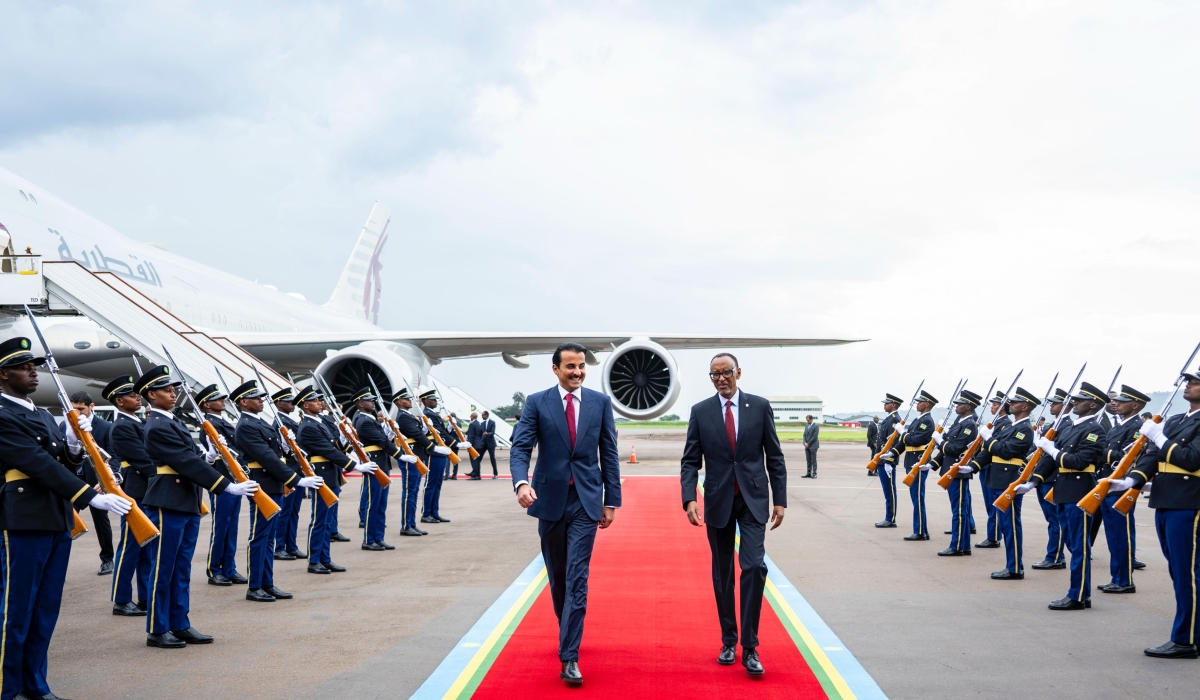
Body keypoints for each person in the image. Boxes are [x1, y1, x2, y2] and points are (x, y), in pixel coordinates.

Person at [0, 337, 131, 697]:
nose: (33, 372)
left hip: (55, 516)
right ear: (3, 373)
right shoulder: (2, 413)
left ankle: (35, 684)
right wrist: (90, 496)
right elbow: (36, 463)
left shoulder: (40, 413)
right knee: (16, 612)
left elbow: (61, 461)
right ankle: (7, 690)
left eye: (34, 366)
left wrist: (74, 444)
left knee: (44, 611)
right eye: (24, 367)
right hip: (23, 518)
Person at [509, 342, 621, 684]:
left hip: (586, 501)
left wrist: (611, 500)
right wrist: (521, 484)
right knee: (558, 577)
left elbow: (610, 454)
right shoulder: (537, 402)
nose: (577, 372)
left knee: (577, 577)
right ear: (556, 369)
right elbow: (521, 446)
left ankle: (569, 656)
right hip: (550, 500)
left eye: (581, 366)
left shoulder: (600, 403)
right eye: (570, 366)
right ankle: (567, 626)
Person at [681, 352, 785, 676]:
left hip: (752, 499)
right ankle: (729, 639)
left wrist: (779, 499)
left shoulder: (760, 407)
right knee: (723, 573)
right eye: (715, 374)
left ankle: (750, 646)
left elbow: (775, 456)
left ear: (738, 373)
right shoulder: (701, 412)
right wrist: (689, 499)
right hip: (717, 500)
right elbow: (689, 461)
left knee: (753, 566)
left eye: (726, 372)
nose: (721, 379)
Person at [140, 364, 258, 647]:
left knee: (181, 567)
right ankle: (158, 629)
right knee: (163, 567)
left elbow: (193, 456)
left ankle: (180, 622)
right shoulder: (157, 425)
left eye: (172, 389)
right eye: (166, 390)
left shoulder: (174, 421)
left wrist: (209, 456)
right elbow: (184, 461)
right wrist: (226, 485)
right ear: (150, 395)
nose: (172, 394)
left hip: (186, 500)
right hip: (168, 500)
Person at [1107, 369, 1200, 658]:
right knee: (1178, 571)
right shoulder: (1175, 420)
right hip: (1165, 500)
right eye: (1188, 381)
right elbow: (1151, 457)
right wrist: (1132, 480)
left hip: (1189, 503)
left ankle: (1186, 640)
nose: (1188, 385)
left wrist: (1159, 438)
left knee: (1188, 573)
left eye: (1195, 382)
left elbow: (1190, 458)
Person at [1021, 381, 1109, 610]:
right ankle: (1081, 591)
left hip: (1080, 491)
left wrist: (1051, 448)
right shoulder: (1069, 427)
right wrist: (1033, 481)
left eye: (1080, 400)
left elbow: (1079, 461)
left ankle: (1078, 596)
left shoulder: (1095, 430)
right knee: (1072, 543)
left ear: (1092, 405)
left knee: (1079, 546)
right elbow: (1050, 460)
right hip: (1063, 490)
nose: (1074, 402)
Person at [233, 380, 316, 602]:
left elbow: (276, 452)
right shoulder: (246, 425)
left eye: (261, 397)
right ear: (243, 402)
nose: (261, 400)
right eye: (256, 398)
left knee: (269, 537)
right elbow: (266, 457)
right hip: (264, 484)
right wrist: (296, 480)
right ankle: (255, 586)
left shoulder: (262, 423)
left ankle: (267, 583)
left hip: (274, 484)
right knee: (259, 536)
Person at [297, 387, 371, 574]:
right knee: (319, 520)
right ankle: (314, 561)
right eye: (315, 401)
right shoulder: (308, 427)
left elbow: (335, 445)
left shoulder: (319, 422)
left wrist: (346, 439)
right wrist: (354, 465)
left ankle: (325, 559)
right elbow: (327, 451)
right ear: (306, 405)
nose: (320, 402)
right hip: (322, 474)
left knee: (327, 521)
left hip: (331, 474)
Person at [971, 388, 1038, 580]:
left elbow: (1006, 451)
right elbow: (993, 450)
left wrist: (988, 438)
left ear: (1025, 407)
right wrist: (973, 466)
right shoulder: (1012, 426)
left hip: (1009, 481)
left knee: (1011, 525)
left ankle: (1015, 567)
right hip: (998, 479)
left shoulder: (1024, 429)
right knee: (1007, 524)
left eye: (1015, 402)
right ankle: (1012, 565)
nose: (1011, 404)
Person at [104, 374, 154, 617]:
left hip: (147, 489)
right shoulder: (123, 426)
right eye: (132, 395)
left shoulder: (138, 423)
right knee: (130, 547)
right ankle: (121, 599)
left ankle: (144, 597)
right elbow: (142, 459)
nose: (138, 398)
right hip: (135, 490)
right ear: (119, 401)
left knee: (147, 546)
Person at [1094, 384, 1149, 594]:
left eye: (1121, 401)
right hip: (1109, 484)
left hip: (1122, 486)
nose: (1115, 403)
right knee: (1113, 536)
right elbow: (1108, 452)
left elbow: (1125, 458)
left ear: (1134, 406)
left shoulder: (1137, 428)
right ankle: (1116, 577)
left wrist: (1105, 452)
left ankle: (1125, 580)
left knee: (1122, 535)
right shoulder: (1118, 427)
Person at [196, 384, 246, 587]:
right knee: (221, 527)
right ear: (206, 404)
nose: (222, 401)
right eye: (217, 399)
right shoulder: (208, 425)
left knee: (231, 527)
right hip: (222, 482)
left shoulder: (222, 422)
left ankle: (229, 568)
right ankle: (214, 569)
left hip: (235, 480)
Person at [66, 391, 116, 576]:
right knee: (66, 522)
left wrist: (106, 482)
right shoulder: (66, 424)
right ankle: (57, 562)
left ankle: (107, 559)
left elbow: (113, 456)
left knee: (101, 522)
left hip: (96, 482)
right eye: (74, 409)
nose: (77, 412)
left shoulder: (105, 426)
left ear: (91, 406)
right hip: (73, 482)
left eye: (81, 409)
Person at [933, 389, 982, 556]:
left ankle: (957, 546)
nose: (956, 406)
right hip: (952, 471)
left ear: (968, 407)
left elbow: (955, 448)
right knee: (960, 510)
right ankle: (964, 545)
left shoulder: (969, 425)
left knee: (959, 512)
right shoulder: (961, 422)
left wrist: (940, 441)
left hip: (958, 472)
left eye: (960, 404)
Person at [351, 387, 399, 551]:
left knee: (380, 503)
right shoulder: (364, 421)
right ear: (360, 404)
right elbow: (382, 441)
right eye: (369, 400)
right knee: (374, 503)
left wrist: (390, 433)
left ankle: (378, 537)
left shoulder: (369, 419)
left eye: (372, 400)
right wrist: (400, 455)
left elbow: (383, 438)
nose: (373, 402)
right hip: (375, 464)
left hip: (381, 463)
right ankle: (369, 539)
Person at [1030, 389, 1071, 570]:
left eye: (1056, 403)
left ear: (1066, 405)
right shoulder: (1052, 425)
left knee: (1056, 520)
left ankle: (1054, 556)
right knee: (1051, 519)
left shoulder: (1068, 425)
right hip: (1044, 478)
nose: (1051, 406)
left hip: (1053, 478)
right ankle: (1056, 555)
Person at [891, 391, 938, 541]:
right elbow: (906, 442)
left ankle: (920, 531)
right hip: (911, 462)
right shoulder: (918, 420)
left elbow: (915, 440)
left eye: (921, 402)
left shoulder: (927, 421)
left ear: (927, 404)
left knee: (917, 498)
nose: (917, 403)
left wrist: (902, 433)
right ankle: (921, 530)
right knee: (915, 497)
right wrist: (892, 453)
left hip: (918, 462)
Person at [271, 388, 306, 560]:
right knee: (285, 511)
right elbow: (280, 450)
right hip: (289, 472)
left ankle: (291, 545)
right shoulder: (279, 422)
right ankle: (279, 547)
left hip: (298, 470)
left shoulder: (291, 420)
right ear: (279, 403)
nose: (293, 404)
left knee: (294, 511)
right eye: (288, 401)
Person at [390, 388, 431, 536]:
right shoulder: (403, 417)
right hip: (410, 458)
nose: (411, 401)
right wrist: (433, 446)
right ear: (400, 402)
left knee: (413, 493)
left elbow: (418, 432)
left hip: (416, 456)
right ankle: (406, 526)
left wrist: (425, 428)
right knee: (409, 493)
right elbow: (415, 434)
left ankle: (412, 523)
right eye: (407, 399)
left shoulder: (409, 416)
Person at [975, 392, 1013, 549]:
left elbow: (995, 445)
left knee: (993, 504)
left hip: (993, 466)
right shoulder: (995, 423)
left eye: (995, 404)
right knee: (988, 503)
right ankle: (993, 534)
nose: (992, 407)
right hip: (986, 466)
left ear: (1003, 407)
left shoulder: (1006, 424)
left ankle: (993, 536)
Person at [419, 389, 455, 524]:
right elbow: (439, 434)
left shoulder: (433, 414)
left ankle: (434, 512)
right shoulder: (427, 414)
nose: (435, 402)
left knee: (437, 484)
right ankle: (426, 513)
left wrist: (451, 427)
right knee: (431, 484)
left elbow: (442, 432)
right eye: (433, 400)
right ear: (426, 401)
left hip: (440, 451)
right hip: (433, 452)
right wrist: (455, 443)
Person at [875, 394, 903, 528]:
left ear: (894, 405)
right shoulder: (888, 419)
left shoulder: (895, 420)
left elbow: (894, 443)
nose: (884, 405)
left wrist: (889, 461)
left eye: (887, 403)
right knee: (887, 491)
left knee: (890, 491)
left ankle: (890, 518)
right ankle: (888, 517)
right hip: (881, 459)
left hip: (887, 461)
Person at [480, 410, 499, 479]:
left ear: (486, 415)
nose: (482, 416)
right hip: (483, 443)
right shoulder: (481, 423)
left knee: (492, 458)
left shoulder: (492, 422)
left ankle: (495, 474)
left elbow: (493, 432)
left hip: (490, 443)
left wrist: (488, 434)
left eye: (483, 415)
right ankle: (476, 473)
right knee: (478, 458)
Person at [466, 412, 483, 479]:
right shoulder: (479, 424)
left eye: (471, 416)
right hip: (479, 444)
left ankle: (475, 475)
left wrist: (469, 445)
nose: (470, 417)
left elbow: (471, 436)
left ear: (473, 416)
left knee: (474, 460)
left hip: (474, 445)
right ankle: (478, 475)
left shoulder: (472, 424)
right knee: (477, 461)